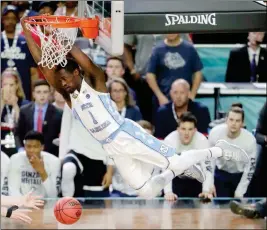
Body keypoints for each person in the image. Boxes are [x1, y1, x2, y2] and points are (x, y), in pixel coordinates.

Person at [21, 16, 249, 199]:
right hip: (112, 148)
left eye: (66, 79)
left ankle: (218, 149)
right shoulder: (69, 96)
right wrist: (27, 30)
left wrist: (61, 39)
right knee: (147, 192)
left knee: (178, 160)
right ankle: (174, 170)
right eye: (60, 82)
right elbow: (43, 63)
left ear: (78, 73)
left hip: (126, 134)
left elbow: (81, 58)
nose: (63, 84)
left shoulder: (98, 82)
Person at [8, 131, 61, 198]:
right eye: (28, 146)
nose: (31, 150)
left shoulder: (54, 162)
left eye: (35, 147)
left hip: (46, 205)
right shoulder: (15, 159)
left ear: (42, 147)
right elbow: (13, 190)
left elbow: (53, 195)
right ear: (24, 146)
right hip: (22, 204)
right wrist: (24, 204)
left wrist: (42, 172)